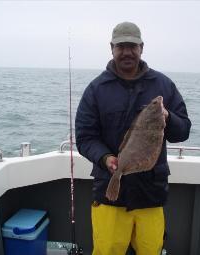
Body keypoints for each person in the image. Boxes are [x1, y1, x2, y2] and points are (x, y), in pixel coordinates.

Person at [75, 21, 191, 255]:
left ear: (141, 47)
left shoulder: (163, 85)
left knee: (151, 250)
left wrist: (167, 117)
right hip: (109, 193)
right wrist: (106, 158)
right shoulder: (96, 89)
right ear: (112, 48)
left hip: (150, 192)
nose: (127, 52)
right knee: (107, 250)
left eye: (132, 46)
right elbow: (85, 137)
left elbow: (183, 131)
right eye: (121, 46)